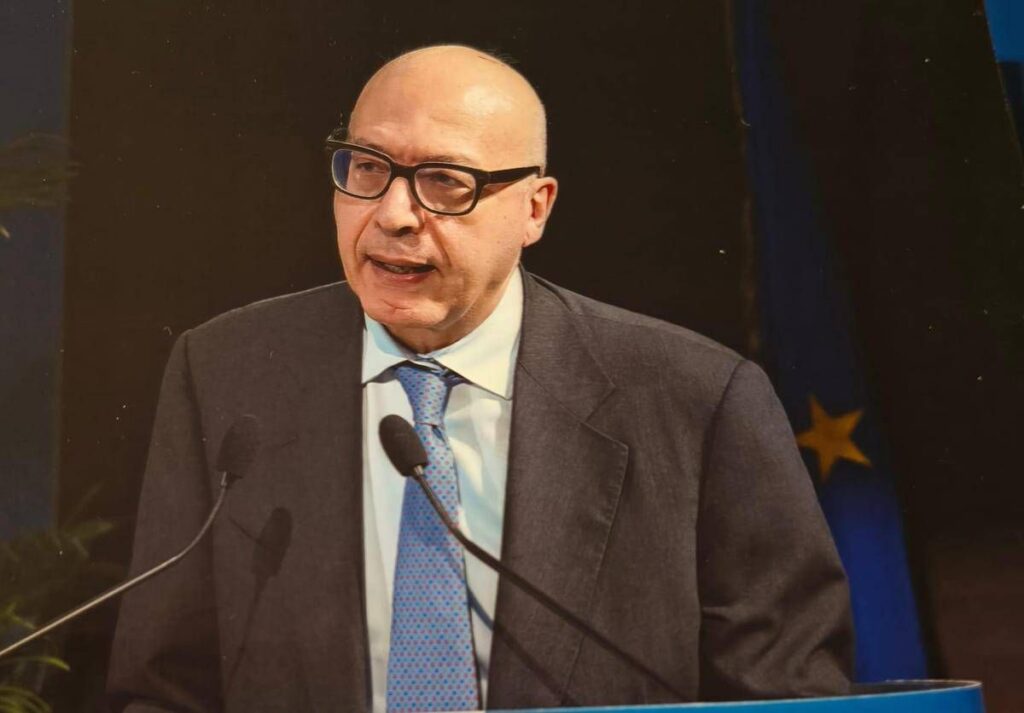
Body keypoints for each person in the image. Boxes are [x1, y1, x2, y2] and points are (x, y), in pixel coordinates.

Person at [107, 45, 853, 712]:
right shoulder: (227, 372)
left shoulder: (697, 398)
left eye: (445, 182)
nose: (393, 215)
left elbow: (783, 696)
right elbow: (165, 687)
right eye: (367, 168)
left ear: (535, 208)